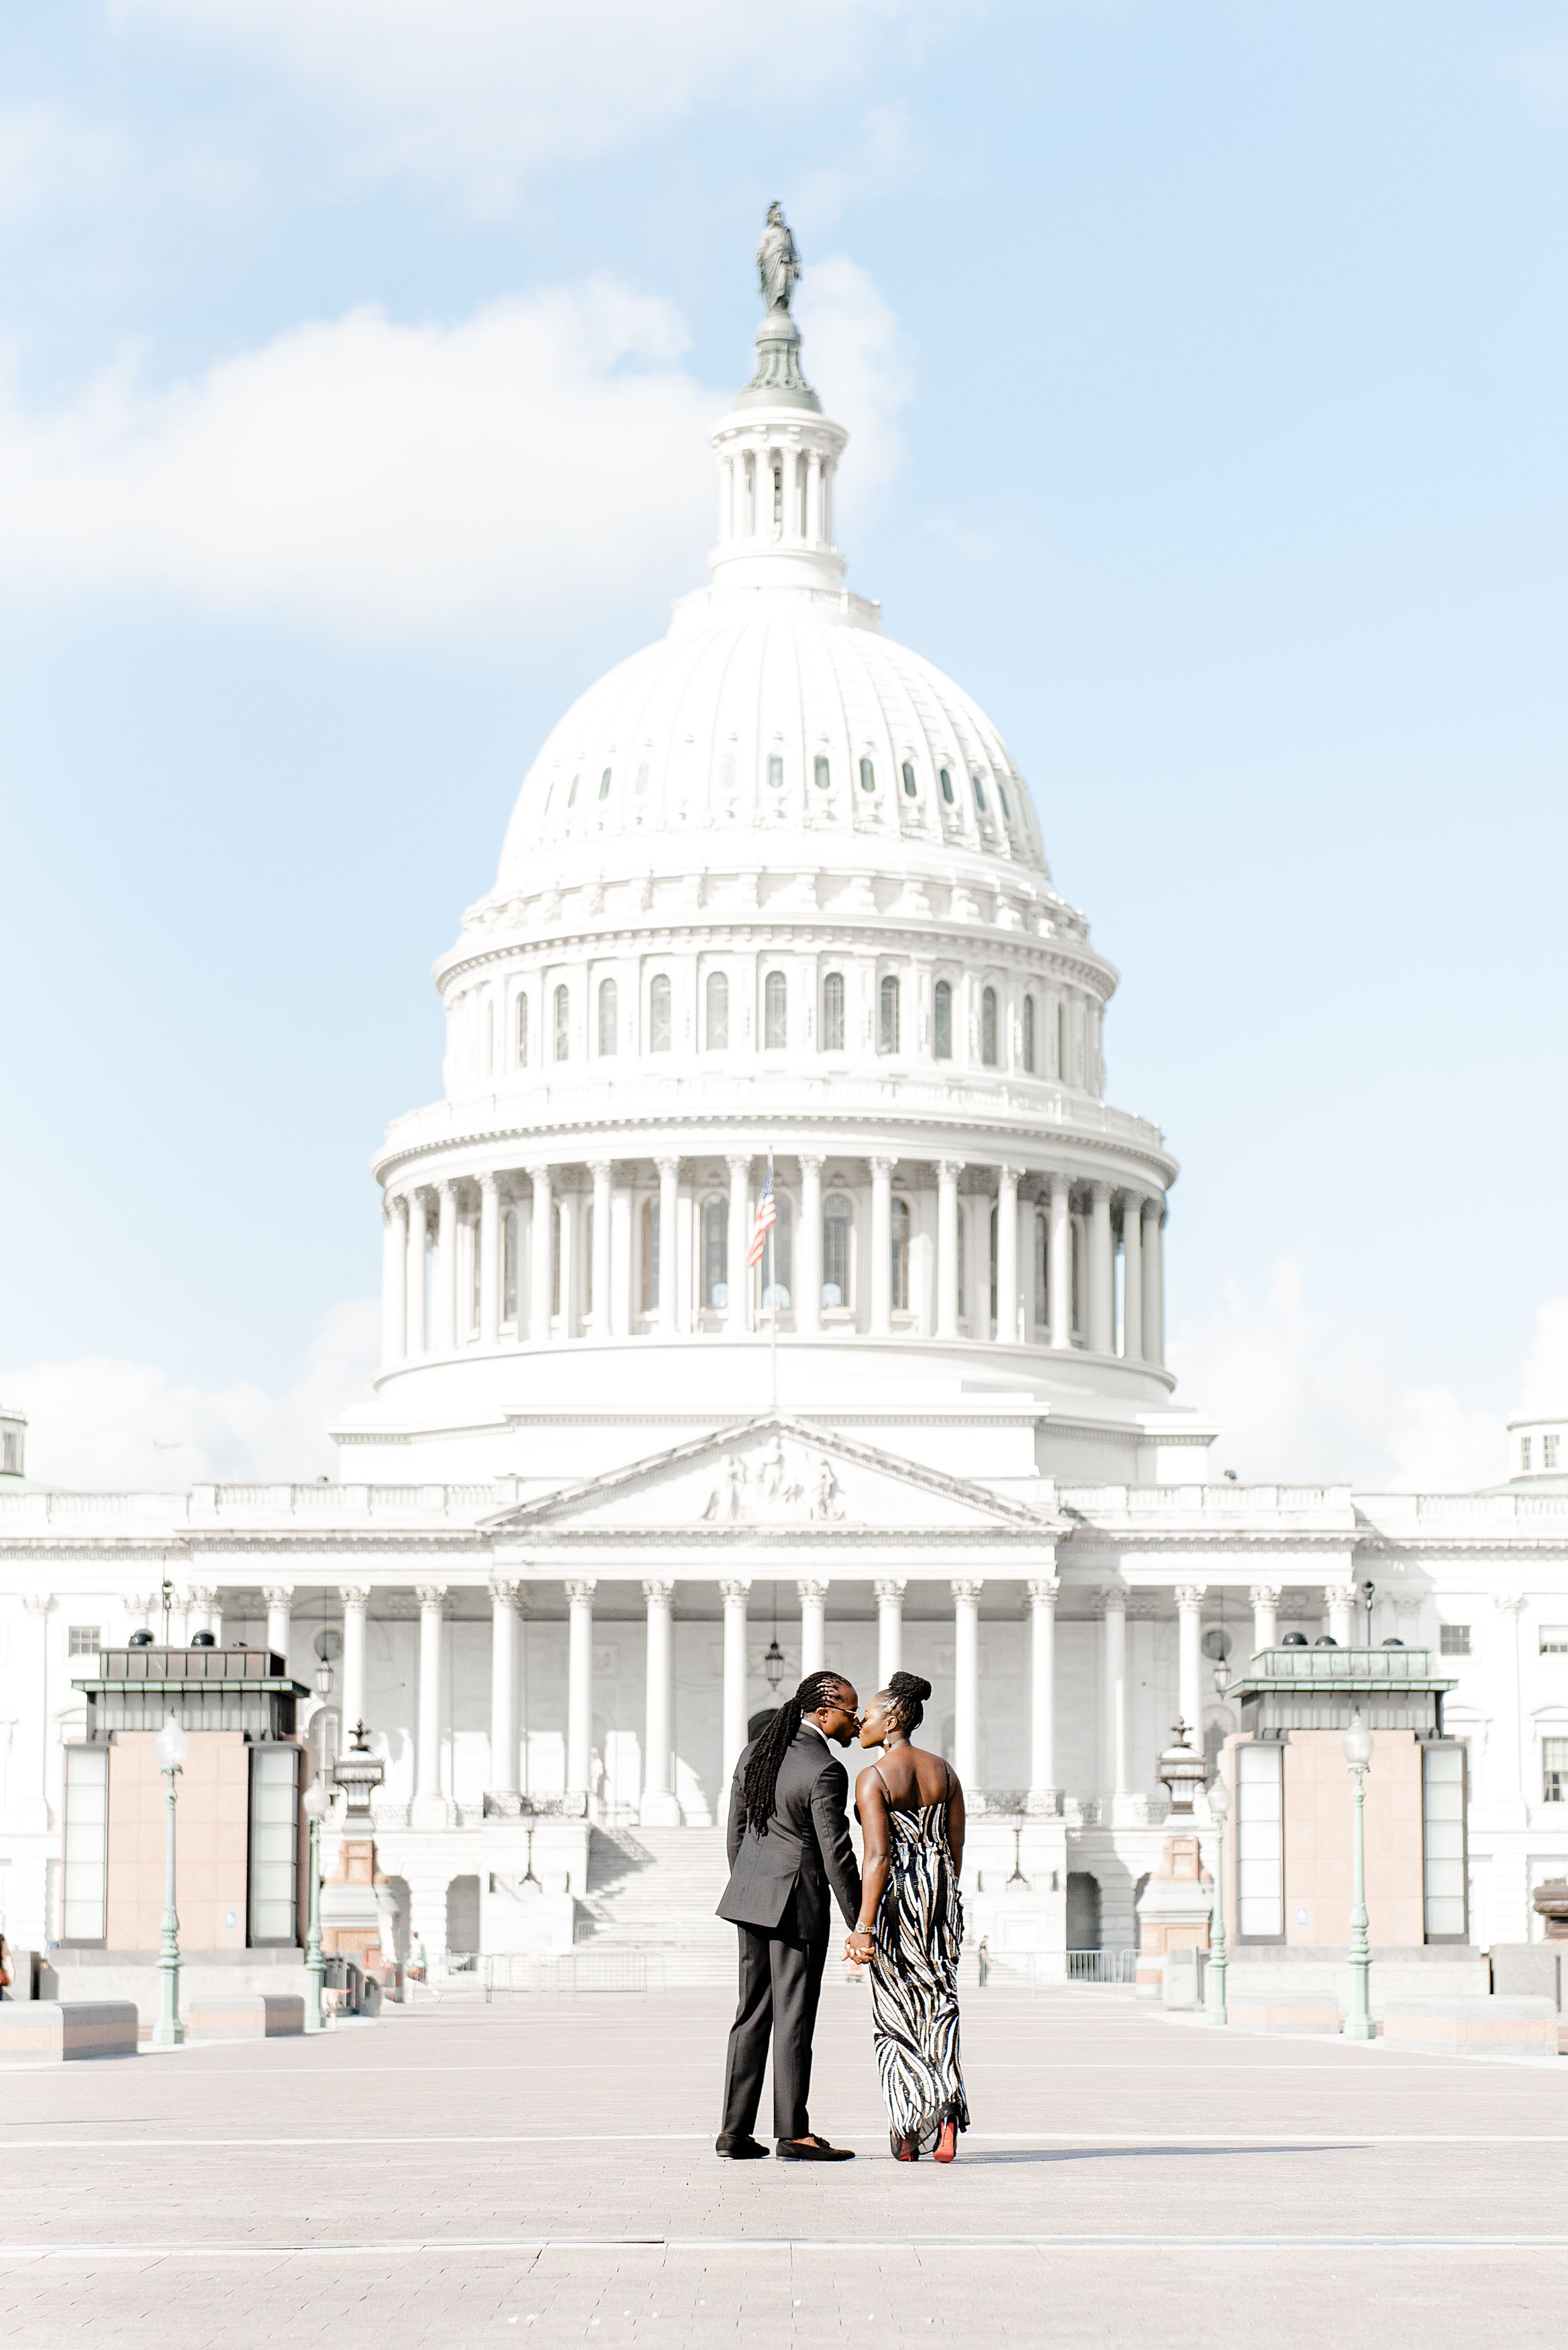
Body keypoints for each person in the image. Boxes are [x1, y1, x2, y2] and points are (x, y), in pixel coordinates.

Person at [716, 1670, 862, 2161]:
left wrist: (750, 1881)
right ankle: (793, 2132)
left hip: (750, 1897)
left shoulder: (755, 1752)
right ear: (823, 1712)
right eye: (849, 1710)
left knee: (750, 2016)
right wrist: (860, 1920)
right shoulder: (825, 1769)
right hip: (796, 1903)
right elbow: (836, 1852)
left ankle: (734, 2132)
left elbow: (736, 1830)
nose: (856, 1720)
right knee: (794, 2019)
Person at [845, 1671, 970, 2163]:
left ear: (893, 1719)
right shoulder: (945, 1771)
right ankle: (945, 2119)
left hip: (897, 1901)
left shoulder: (873, 1777)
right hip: (939, 1896)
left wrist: (864, 1926)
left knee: (895, 2011)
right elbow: (956, 1846)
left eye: (870, 1716)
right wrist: (941, 1896)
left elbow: (876, 1856)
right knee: (941, 2004)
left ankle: (905, 2124)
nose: (861, 1724)